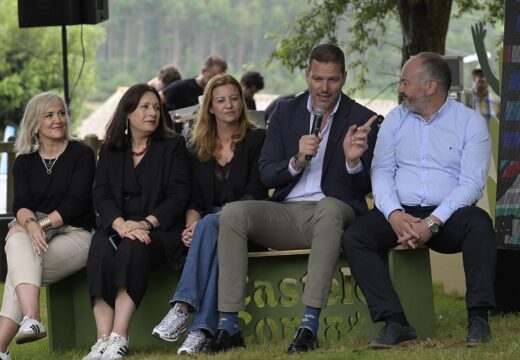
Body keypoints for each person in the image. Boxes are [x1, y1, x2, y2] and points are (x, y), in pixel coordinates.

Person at [210, 44, 379, 354]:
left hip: (334, 210)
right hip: (288, 212)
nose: (324, 88)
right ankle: (228, 326)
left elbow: (366, 187)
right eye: (317, 79)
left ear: (344, 77)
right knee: (233, 213)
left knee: (328, 208)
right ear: (307, 75)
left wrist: (352, 161)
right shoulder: (285, 112)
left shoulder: (363, 118)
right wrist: (297, 160)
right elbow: (267, 175)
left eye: (332, 80)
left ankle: (308, 326)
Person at [342, 52, 496, 349]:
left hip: (448, 215)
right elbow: (383, 171)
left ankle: (478, 319)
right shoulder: (395, 120)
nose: (400, 89)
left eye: (404, 82)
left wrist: (433, 221)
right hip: (401, 210)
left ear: (431, 86)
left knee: (479, 224)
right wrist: (393, 214)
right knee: (355, 237)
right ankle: (395, 322)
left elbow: (472, 184)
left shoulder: (469, 123)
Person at [151, 74, 267, 354]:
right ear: (210, 107)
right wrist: (193, 225)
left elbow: (256, 191)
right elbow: (194, 201)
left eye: (234, 98)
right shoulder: (197, 147)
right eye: (221, 100)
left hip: (250, 221)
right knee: (215, 239)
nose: (229, 105)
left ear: (242, 101)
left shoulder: (257, 140)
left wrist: (207, 223)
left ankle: (182, 308)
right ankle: (201, 330)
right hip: (210, 227)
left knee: (217, 225)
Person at [83, 84, 190, 360]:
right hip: (118, 226)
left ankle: (119, 337)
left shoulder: (173, 146)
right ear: (128, 112)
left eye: (156, 107)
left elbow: (179, 195)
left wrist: (145, 224)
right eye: (144, 107)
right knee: (100, 252)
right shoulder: (110, 150)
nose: (152, 112)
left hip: (158, 229)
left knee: (133, 250)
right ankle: (102, 341)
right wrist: (120, 225)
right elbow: (101, 193)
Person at [0, 92, 95, 360]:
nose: (58, 120)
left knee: (18, 271)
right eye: (50, 115)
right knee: (17, 239)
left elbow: (74, 204)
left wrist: (36, 225)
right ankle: (32, 318)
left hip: (77, 234)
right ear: (35, 123)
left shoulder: (82, 154)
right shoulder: (25, 161)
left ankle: (1, 348)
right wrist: (30, 225)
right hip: (37, 237)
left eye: (62, 113)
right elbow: (20, 204)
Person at [161, 55, 227, 133]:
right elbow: (157, 99)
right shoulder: (181, 86)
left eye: (218, 80)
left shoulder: (217, 93)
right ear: (204, 71)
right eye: (211, 78)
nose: (213, 83)